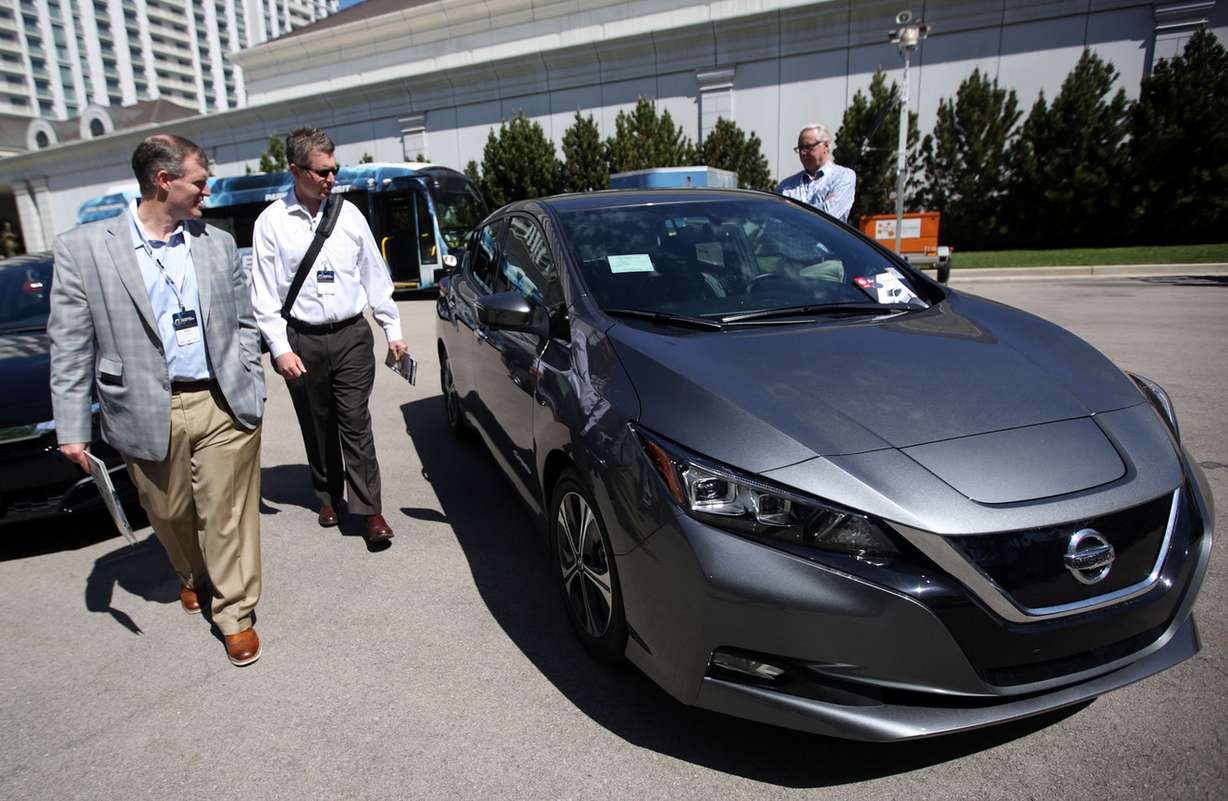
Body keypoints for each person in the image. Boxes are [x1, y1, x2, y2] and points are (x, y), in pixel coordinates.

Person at [49, 134, 266, 666]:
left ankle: (234, 611)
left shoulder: (215, 243)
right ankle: (190, 572)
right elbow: (71, 344)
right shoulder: (83, 248)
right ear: (163, 181)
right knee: (168, 512)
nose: (207, 191)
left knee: (228, 513)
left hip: (221, 402)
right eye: (198, 180)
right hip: (144, 407)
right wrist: (71, 426)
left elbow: (243, 321)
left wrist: (250, 376)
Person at [250, 127, 406, 544]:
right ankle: (327, 495)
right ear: (295, 170)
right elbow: (263, 293)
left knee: (355, 422)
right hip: (303, 340)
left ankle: (370, 511)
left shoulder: (349, 215)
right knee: (317, 425)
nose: (330, 179)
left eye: (334, 170)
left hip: (352, 336)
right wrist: (280, 349)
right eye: (321, 172)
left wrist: (393, 330)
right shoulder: (271, 223)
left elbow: (375, 274)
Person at [776, 123, 857, 223]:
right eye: (800, 148)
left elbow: (829, 214)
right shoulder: (786, 186)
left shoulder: (843, 176)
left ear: (826, 146)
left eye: (808, 146)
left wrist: (792, 211)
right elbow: (777, 218)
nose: (802, 153)